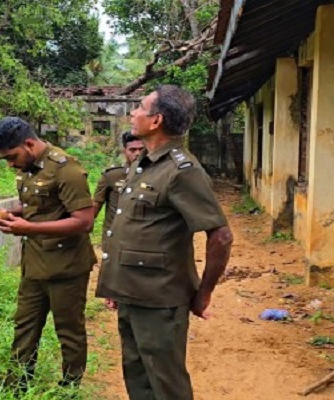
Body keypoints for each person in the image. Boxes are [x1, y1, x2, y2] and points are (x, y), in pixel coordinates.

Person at [96, 85, 234, 400]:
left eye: (140, 108)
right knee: (138, 378)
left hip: (159, 299)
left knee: (165, 383)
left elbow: (221, 235)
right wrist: (116, 286)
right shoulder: (145, 161)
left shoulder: (182, 170)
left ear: (156, 120)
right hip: (133, 292)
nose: (133, 113)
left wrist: (204, 293)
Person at [0, 117, 96, 390]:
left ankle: (69, 388)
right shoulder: (28, 167)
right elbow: (41, 205)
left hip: (66, 266)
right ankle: (17, 386)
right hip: (35, 264)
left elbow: (84, 221)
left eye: (12, 157)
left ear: (29, 143)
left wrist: (28, 227)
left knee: (68, 331)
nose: (10, 164)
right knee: (24, 326)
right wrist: (14, 214)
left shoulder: (66, 169)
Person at [92, 132, 144, 310]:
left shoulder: (154, 175)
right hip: (115, 239)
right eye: (132, 150)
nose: (137, 153)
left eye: (141, 149)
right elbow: (94, 208)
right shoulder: (112, 176)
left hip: (141, 238)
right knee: (115, 286)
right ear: (125, 151)